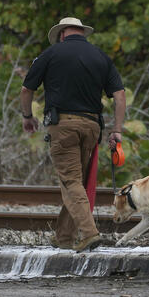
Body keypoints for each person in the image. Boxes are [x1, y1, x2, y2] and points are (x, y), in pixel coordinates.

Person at [20, 16, 126, 252]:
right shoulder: (101, 56)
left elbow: (27, 89)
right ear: (81, 33)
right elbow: (119, 95)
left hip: (63, 125)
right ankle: (64, 237)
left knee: (71, 181)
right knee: (75, 182)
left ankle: (90, 234)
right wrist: (117, 130)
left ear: (61, 34)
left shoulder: (51, 54)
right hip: (92, 126)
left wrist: (28, 116)